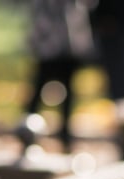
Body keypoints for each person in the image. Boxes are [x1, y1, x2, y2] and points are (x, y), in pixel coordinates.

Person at [23, 0, 96, 148]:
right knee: (38, 91)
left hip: (68, 44)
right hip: (49, 43)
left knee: (67, 93)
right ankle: (26, 131)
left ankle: (65, 135)